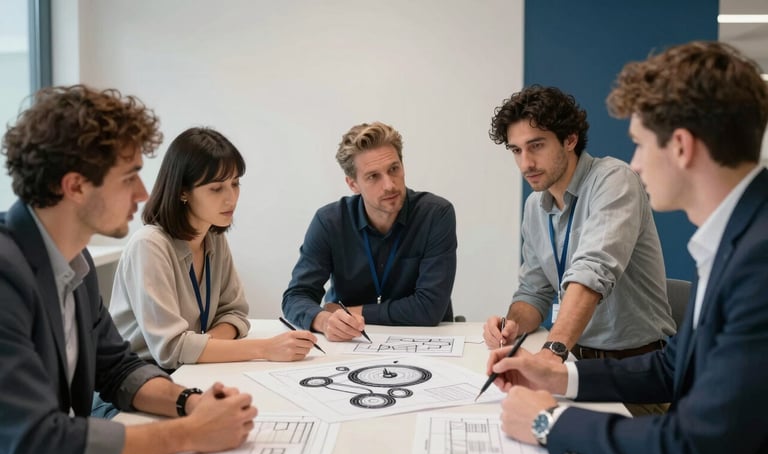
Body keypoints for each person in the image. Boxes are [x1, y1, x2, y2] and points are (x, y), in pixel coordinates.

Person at [487, 41, 768, 454]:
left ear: (680, 146)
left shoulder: (758, 260)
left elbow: (696, 452)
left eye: (639, 143)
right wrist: (558, 375)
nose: (635, 162)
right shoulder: (734, 241)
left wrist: (548, 421)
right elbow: (672, 365)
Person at [0, 85, 256, 454]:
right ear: (76, 186)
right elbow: (34, 443)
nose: (143, 193)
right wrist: (190, 433)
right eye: (129, 177)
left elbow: (118, 370)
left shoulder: (75, 265)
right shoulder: (6, 276)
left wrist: (190, 402)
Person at [482, 86, 675, 370]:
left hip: (637, 369)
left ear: (570, 139)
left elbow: (593, 271)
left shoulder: (613, 180)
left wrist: (551, 353)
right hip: (574, 363)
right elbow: (533, 292)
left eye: (536, 145)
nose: (526, 163)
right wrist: (511, 325)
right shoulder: (536, 206)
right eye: (516, 150)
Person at [110, 127, 317, 371]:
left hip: (186, 368)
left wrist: (198, 348)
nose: (231, 198)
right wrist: (265, 349)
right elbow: (171, 349)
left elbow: (235, 313)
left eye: (235, 183)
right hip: (135, 376)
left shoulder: (213, 237)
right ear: (183, 192)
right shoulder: (149, 245)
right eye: (216, 188)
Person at [282, 121, 457, 341]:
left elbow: (429, 309)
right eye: (373, 176)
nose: (389, 185)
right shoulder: (330, 222)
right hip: (350, 340)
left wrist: (347, 311)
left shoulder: (435, 214)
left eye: (394, 169)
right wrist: (325, 320)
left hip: (423, 339)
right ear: (353, 184)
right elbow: (296, 296)